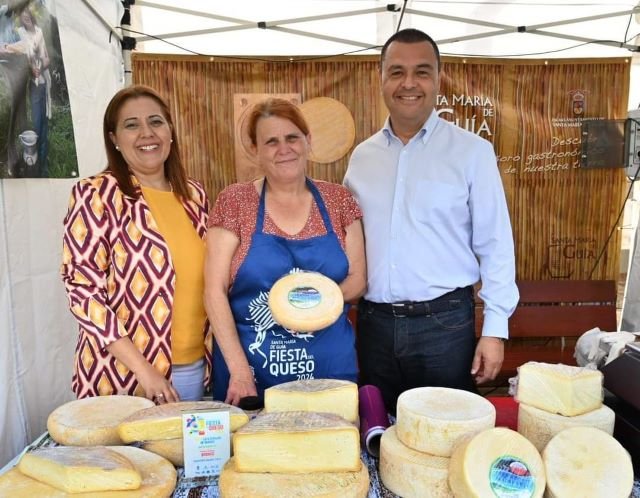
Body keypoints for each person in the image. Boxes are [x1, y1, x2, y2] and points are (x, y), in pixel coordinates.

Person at [344, 28, 518, 414]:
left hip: (444, 328)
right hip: (374, 327)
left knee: (444, 441)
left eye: (422, 72)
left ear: (439, 79)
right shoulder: (362, 158)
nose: (409, 83)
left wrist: (494, 329)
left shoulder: (473, 153)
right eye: (397, 72)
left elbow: (495, 245)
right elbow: (346, 242)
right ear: (381, 79)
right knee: (379, 437)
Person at [205, 98, 366, 405]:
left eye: (292, 137)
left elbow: (359, 279)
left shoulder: (338, 200)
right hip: (254, 370)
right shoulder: (235, 202)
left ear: (308, 140)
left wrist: (306, 304)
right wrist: (239, 372)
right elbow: (214, 291)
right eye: (271, 141)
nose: (284, 148)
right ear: (255, 150)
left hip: (329, 369)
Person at [61, 85, 211, 404]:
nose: (147, 133)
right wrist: (145, 371)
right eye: (132, 125)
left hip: (194, 369)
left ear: (170, 130)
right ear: (114, 138)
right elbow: (83, 292)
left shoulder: (195, 197)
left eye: (156, 122)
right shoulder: (97, 194)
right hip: (122, 376)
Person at [16, 5, 50, 177]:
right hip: (21, 82)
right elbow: (15, 52)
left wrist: (39, 68)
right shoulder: (18, 32)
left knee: (39, 122)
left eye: (27, 14)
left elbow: (46, 58)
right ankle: (26, 160)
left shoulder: (39, 32)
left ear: (31, 15)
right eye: (22, 15)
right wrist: (29, 67)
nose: (25, 17)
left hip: (38, 82)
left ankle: (40, 163)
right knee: (21, 122)